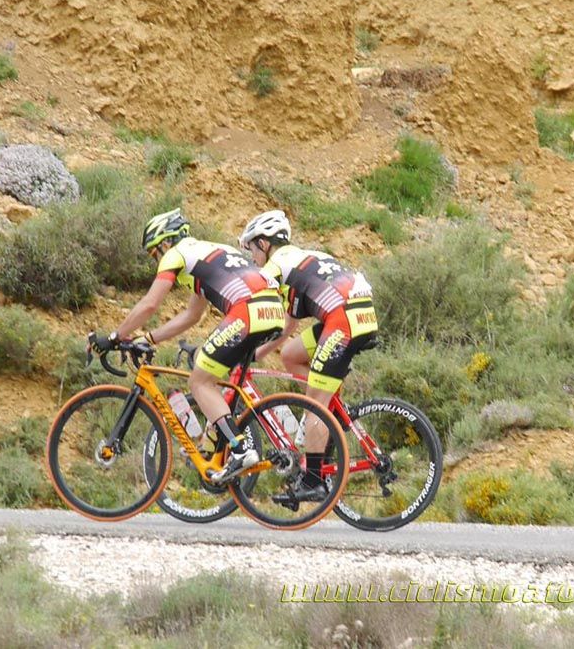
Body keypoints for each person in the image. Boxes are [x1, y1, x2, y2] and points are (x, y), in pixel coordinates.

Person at [93, 209, 285, 483]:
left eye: (155, 252)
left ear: (166, 242)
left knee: (199, 382)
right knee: (215, 380)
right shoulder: (206, 254)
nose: (156, 259)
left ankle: (241, 449)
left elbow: (149, 304)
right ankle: (230, 446)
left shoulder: (176, 255)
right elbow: (191, 316)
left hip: (246, 310)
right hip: (271, 309)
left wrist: (114, 337)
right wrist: (148, 338)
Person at [239, 210, 378, 504]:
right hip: (355, 314)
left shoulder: (276, 265)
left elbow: (252, 303)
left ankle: (314, 480)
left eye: (251, 247)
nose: (251, 256)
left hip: (343, 320)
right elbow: (288, 326)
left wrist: (235, 344)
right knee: (291, 355)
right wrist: (255, 355)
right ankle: (328, 420)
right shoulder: (301, 259)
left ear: (264, 244)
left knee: (314, 405)